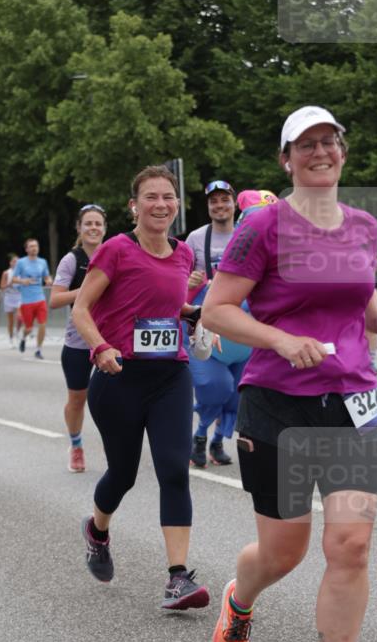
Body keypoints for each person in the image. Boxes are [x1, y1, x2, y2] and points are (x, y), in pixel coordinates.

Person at [203, 105, 377, 642]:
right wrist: (277, 339)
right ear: (286, 158)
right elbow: (217, 310)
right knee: (283, 552)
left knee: (349, 545)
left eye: (330, 143)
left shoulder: (360, 225)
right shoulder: (261, 228)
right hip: (276, 407)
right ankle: (240, 602)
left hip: (354, 403)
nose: (321, 153)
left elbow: (359, 289)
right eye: (307, 145)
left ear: (342, 152)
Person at [72, 165, 210, 611]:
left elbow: (168, 303)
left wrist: (191, 314)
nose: (161, 205)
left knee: (174, 469)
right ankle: (97, 529)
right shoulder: (116, 250)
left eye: (168, 197)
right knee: (124, 474)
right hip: (118, 377)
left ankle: (178, 580)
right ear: (134, 206)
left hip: (170, 375)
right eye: (151, 197)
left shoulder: (184, 253)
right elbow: (81, 308)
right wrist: (99, 348)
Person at [185, 180, 249, 468]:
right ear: (208, 206)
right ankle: (199, 435)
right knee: (215, 386)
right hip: (206, 326)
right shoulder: (196, 239)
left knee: (238, 393)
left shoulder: (248, 234)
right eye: (214, 201)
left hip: (243, 324)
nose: (219, 205)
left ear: (234, 204)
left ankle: (217, 441)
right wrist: (189, 280)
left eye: (225, 200)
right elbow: (177, 280)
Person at [50, 204, 107, 473]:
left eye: (98, 224)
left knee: (115, 398)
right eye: (89, 224)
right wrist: (85, 290)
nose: (93, 228)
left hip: (111, 340)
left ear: (104, 228)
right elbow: (55, 299)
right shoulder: (72, 260)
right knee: (77, 400)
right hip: (78, 343)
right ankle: (76, 445)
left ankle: (116, 449)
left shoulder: (114, 254)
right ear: (79, 228)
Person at [14, 239, 52, 359]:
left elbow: (46, 276)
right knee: (29, 328)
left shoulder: (43, 262)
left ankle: (38, 350)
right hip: (26, 301)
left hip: (40, 298)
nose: (34, 248)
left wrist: (48, 280)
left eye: (36, 246)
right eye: (31, 246)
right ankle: (23, 338)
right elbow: (14, 279)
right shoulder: (21, 262)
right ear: (26, 249)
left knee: (42, 324)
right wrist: (22, 280)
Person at [0, 255, 23, 347]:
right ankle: (11, 338)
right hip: (9, 297)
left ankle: (17, 332)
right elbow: (1, 286)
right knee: (10, 321)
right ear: (10, 263)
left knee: (20, 317)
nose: (16, 263)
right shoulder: (6, 273)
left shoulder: (22, 273)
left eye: (18, 261)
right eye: (14, 261)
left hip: (20, 297)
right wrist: (9, 284)